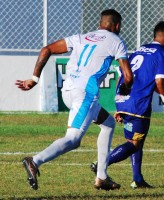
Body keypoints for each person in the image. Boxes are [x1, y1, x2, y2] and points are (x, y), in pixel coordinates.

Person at [15, 9, 133, 190]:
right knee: (73, 139)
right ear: (117, 25)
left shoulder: (81, 37)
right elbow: (128, 75)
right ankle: (35, 161)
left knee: (108, 124)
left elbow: (47, 49)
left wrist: (34, 79)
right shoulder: (116, 41)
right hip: (85, 93)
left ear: (100, 23)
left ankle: (102, 177)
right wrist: (126, 89)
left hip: (68, 89)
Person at [91, 21, 164, 188]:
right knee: (134, 143)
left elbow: (122, 76)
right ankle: (101, 165)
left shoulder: (140, 49)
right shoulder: (162, 54)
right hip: (138, 104)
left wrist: (119, 104)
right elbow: (160, 82)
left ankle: (137, 179)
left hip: (124, 99)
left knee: (136, 140)